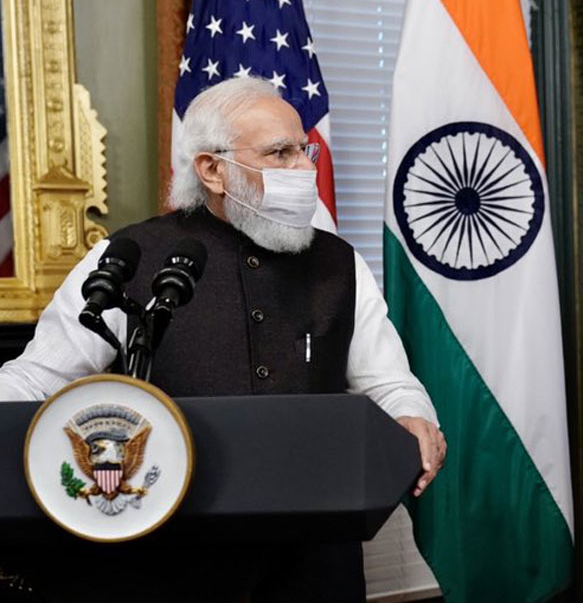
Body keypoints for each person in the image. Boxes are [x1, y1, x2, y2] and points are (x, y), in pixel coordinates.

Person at [0, 77, 446, 602]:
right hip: (168, 558)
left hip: (314, 558)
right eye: (279, 153)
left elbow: (390, 382)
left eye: (304, 150)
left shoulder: (339, 264)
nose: (305, 169)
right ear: (212, 170)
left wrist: (413, 415)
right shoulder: (132, 257)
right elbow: (36, 378)